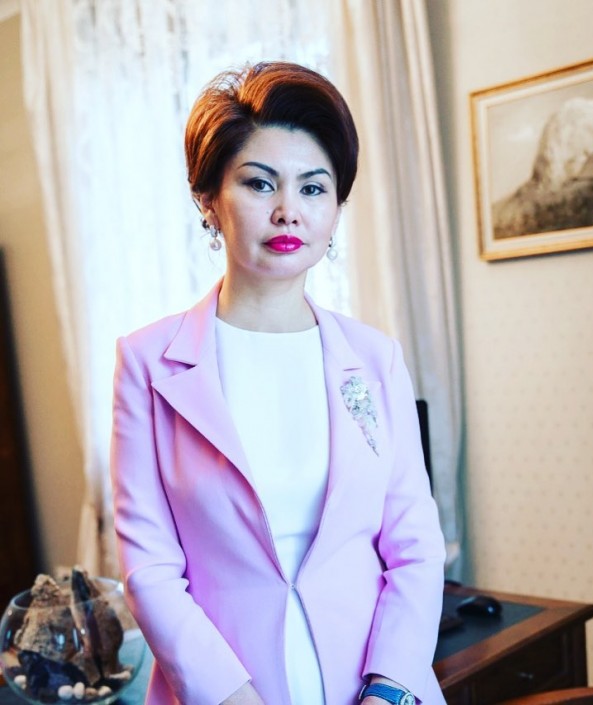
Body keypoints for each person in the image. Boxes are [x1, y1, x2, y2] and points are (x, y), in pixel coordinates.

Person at [110, 61, 447, 705]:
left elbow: (415, 546)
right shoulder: (148, 363)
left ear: (336, 208)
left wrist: (390, 691)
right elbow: (149, 568)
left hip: (378, 689)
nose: (289, 211)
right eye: (259, 183)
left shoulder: (375, 359)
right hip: (223, 690)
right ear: (209, 200)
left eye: (314, 188)